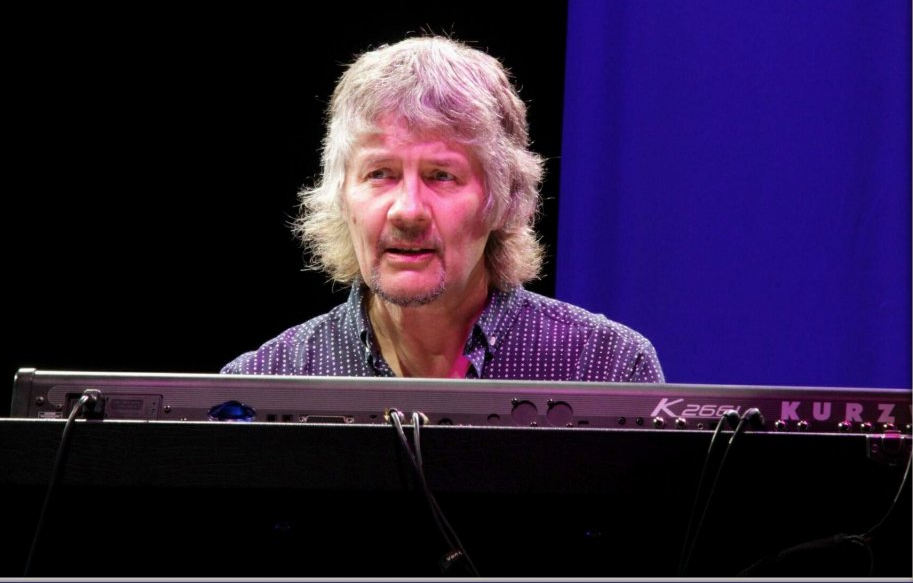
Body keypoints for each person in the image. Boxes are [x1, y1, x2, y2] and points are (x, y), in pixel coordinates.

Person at [222, 36, 663, 382]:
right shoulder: (260, 386)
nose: (407, 211)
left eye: (441, 176)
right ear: (341, 196)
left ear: (504, 200)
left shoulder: (604, 369)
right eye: (380, 173)